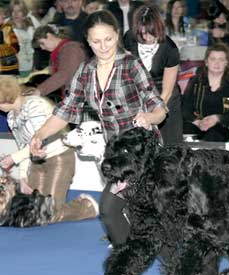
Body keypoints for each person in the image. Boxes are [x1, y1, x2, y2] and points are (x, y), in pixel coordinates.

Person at [30, 10, 167, 246]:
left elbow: (159, 107)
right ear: (87, 40)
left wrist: (149, 117)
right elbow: (66, 111)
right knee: (111, 212)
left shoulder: (131, 65)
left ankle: (172, 273)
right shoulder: (85, 72)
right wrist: (40, 135)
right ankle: (129, 259)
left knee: (146, 214)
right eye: (96, 41)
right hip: (118, 157)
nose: (103, 46)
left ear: (117, 36)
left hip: (143, 153)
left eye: (108, 39)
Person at [0, 75, 98, 222]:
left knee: (49, 212)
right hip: (36, 162)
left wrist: (13, 158)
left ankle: (86, 206)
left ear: (5, 97)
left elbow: (41, 141)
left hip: (59, 158)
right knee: (35, 210)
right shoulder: (11, 118)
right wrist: (23, 176)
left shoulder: (34, 104)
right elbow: (23, 145)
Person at [124, 4, 182, 144]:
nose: (147, 38)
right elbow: (128, 72)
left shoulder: (170, 49)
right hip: (139, 94)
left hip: (164, 97)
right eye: (142, 33)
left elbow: (167, 92)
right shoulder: (129, 39)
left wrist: (153, 114)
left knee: (170, 147)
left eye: (151, 33)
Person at [182, 43, 229, 142]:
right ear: (206, 62)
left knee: (213, 135)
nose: (217, 63)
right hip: (197, 125)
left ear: (226, 62)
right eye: (213, 59)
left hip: (221, 127)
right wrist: (197, 121)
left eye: (221, 59)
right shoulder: (196, 81)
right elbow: (185, 107)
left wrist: (217, 118)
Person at [26, 25, 88, 101]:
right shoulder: (61, 51)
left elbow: (63, 74)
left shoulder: (71, 49)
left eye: (42, 43)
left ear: (49, 35)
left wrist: (40, 90)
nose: (42, 48)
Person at [9, 0, 35, 77]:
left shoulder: (31, 28)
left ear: (24, 12)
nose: (16, 14)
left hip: (29, 68)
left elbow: (34, 51)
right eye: (13, 11)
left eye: (19, 11)